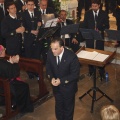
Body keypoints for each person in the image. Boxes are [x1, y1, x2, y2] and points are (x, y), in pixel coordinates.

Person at [46, 37, 80, 120]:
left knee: (68, 110)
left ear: (62, 48)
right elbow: (48, 69)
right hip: (57, 88)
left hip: (68, 88)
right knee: (59, 108)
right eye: (51, 48)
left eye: (55, 49)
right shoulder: (50, 54)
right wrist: (52, 79)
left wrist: (61, 81)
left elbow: (75, 75)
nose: (53, 51)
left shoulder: (72, 57)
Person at [0, 45, 34, 113]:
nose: (5, 51)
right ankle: (24, 107)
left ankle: (13, 102)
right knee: (25, 86)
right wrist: (14, 63)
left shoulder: (3, 62)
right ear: (0, 52)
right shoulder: (3, 64)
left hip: (1, 85)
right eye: (4, 50)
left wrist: (10, 63)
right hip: (7, 86)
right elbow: (15, 74)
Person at [83, 0, 109, 80]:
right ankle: (91, 71)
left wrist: (101, 30)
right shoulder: (87, 13)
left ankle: (101, 71)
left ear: (99, 6)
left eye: (95, 6)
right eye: (92, 6)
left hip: (99, 37)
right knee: (90, 53)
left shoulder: (104, 13)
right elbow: (84, 25)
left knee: (100, 53)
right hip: (90, 37)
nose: (93, 8)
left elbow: (107, 26)